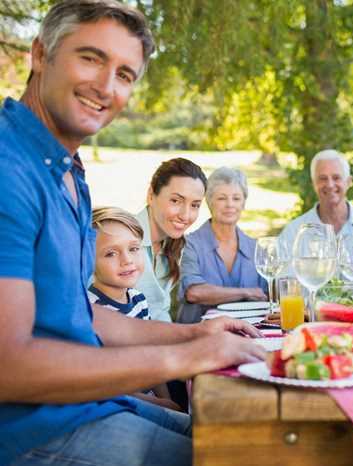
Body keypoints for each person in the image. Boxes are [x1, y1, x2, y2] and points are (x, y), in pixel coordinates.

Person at [0, 2, 265, 465]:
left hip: (85, 406)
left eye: (125, 74)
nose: (106, 86)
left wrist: (195, 336)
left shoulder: (67, 170)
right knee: (246, 456)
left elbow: (82, 314)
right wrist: (185, 359)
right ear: (40, 55)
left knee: (247, 431)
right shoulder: (9, 167)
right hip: (31, 433)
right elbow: (8, 366)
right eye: (91, 58)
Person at [88, 206, 179, 411]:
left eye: (133, 249)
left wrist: (167, 400)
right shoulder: (92, 311)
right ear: (87, 260)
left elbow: (150, 358)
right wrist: (160, 405)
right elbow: (108, 384)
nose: (127, 260)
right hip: (117, 406)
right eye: (111, 253)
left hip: (150, 398)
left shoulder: (138, 299)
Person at [279, 149, 353, 279]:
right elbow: (285, 282)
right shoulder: (293, 232)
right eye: (322, 178)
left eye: (336, 177)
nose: (329, 184)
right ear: (313, 184)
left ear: (349, 182)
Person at [177, 167, 268, 323]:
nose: (230, 205)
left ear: (244, 203)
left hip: (250, 336)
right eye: (221, 198)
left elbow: (269, 295)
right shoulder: (189, 244)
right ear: (209, 202)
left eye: (236, 198)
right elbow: (194, 292)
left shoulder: (256, 248)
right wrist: (246, 292)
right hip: (198, 336)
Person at [134, 157, 207, 322]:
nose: (185, 215)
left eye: (195, 205)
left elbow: (159, 313)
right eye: (175, 201)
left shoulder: (172, 246)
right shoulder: (120, 237)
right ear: (151, 195)